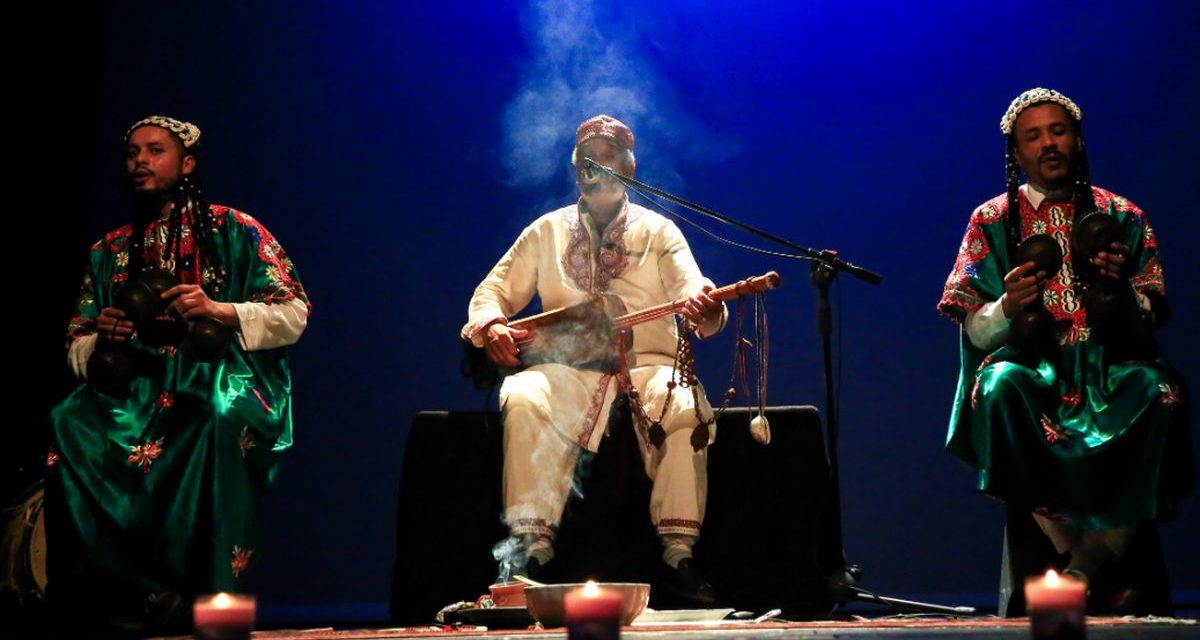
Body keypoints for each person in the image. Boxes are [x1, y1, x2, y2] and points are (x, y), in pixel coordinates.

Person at [47, 115, 310, 629]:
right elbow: (75, 338)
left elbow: (294, 311)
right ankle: (128, 597)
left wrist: (220, 310)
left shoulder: (236, 230)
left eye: (154, 151)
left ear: (187, 164)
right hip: (136, 381)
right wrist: (104, 335)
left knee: (212, 418)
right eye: (131, 152)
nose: (139, 161)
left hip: (216, 375)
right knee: (69, 420)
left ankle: (218, 611)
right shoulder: (111, 249)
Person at [938, 88, 1191, 608]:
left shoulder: (1122, 214)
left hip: (1109, 369)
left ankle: (1082, 568)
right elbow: (973, 328)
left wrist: (1123, 295)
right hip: (1036, 372)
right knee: (1000, 385)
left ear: (1076, 140)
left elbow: (1151, 313)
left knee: (1157, 390)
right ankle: (1081, 555)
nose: (1048, 143)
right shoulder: (990, 221)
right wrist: (1008, 306)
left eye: (1058, 131)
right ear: (1016, 153)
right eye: (1033, 136)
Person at [463, 114, 725, 603]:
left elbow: (695, 291)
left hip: (650, 366)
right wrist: (492, 323)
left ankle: (679, 554)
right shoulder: (545, 231)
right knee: (522, 393)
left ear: (628, 167)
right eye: (585, 158)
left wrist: (705, 305)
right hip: (570, 369)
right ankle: (529, 549)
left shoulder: (658, 231)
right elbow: (491, 293)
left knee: (687, 403)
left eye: (605, 157)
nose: (593, 166)